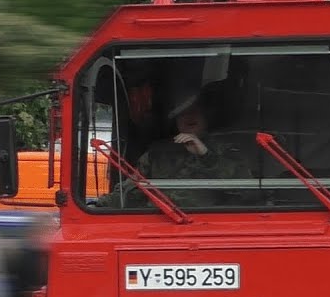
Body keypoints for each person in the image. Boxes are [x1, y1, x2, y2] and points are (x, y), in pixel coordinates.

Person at [95, 84, 252, 209]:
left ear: (206, 116)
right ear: (175, 119)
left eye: (195, 111)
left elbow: (246, 190)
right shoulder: (158, 152)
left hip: (207, 226)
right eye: (182, 112)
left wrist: (206, 156)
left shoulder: (226, 148)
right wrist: (100, 206)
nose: (189, 116)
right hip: (159, 222)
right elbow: (133, 188)